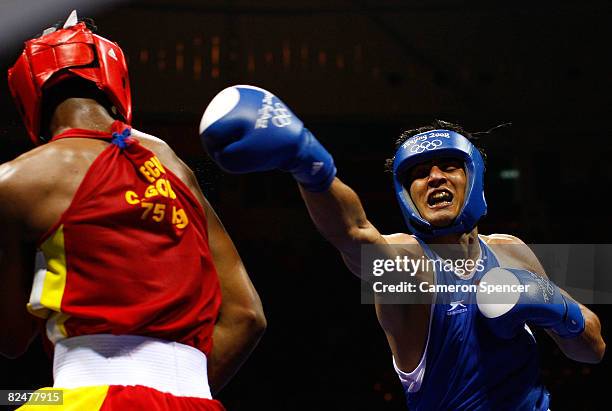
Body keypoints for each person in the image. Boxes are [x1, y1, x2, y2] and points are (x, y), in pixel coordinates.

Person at [199, 85, 606, 410]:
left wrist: (556, 307)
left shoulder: (513, 250)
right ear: (405, 192)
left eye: (448, 165)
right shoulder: (409, 266)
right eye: (417, 173)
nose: (433, 177)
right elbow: (355, 235)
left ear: (475, 177)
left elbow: (593, 350)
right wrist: (307, 163)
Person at [0, 12, 266, 410]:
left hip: (80, 398)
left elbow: (10, 338)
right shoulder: (174, 166)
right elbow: (247, 316)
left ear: (26, 96)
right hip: (194, 400)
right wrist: (171, 392)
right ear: (115, 81)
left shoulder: (15, 180)